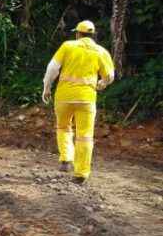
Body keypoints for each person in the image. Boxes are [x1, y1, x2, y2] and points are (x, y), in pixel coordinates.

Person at [42, 20, 115, 184]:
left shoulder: (68, 46)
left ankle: (66, 159)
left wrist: (46, 88)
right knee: (85, 136)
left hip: (64, 97)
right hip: (87, 99)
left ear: (77, 34)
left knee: (63, 126)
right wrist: (102, 84)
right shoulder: (101, 51)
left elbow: (52, 69)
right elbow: (109, 76)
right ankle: (81, 174)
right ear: (93, 35)